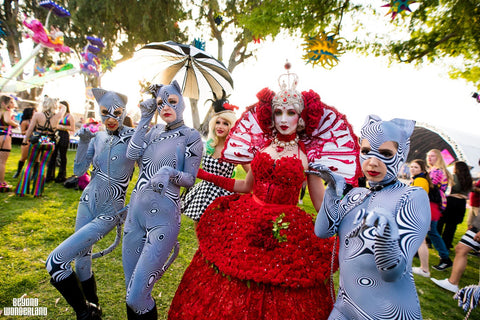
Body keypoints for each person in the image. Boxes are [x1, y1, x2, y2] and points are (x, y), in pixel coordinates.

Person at [168, 72, 361, 319]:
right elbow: (245, 186)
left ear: (301, 117)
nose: (283, 118)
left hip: (286, 230)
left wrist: (350, 219)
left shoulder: (309, 155)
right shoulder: (262, 145)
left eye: (291, 112)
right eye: (279, 112)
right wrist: (202, 175)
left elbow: (320, 202)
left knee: (279, 287)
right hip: (245, 218)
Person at [312, 115, 430, 320]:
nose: (372, 162)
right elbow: (322, 231)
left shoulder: (411, 197)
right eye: (366, 152)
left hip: (389, 313)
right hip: (345, 307)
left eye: (385, 153)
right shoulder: (356, 195)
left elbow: (392, 273)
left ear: (401, 155)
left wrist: (387, 234)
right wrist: (331, 190)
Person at [46, 89, 135, 319]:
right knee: (81, 260)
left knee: (57, 262)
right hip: (86, 202)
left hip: (109, 211)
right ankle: (92, 306)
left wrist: (136, 204)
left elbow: (147, 174)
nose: (111, 118)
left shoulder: (135, 139)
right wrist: (84, 143)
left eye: (116, 112)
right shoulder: (98, 137)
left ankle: (86, 314)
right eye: (105, 112)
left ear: (124, 110)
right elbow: (77, 171)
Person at [123, 81, 203, 319]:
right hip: (134, 216)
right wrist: (145, 118)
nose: (166, 106)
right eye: (160, 103)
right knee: (130, 292)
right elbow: (131, 154)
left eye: (173, 101)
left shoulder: (191, 136)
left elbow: (190, 179)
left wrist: (169, 173)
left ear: (183, 104)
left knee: (137, 296)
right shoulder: (153, 132)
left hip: (164, 220)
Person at [181, 97, 249, 225]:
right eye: (218, 122)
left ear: (232, 127)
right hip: (203, 194)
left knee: (219, 233)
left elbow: (252, 175)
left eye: (225, 123)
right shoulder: (208, 146)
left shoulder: (236, 150)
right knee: (199, 228)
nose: (220, 126)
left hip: (224, 196)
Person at [410, 159, 451, 277]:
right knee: (420, 240)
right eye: (411, 166)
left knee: (421, 241)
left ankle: (425, 269)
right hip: (423, 212)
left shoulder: (420, 180)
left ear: (422, 170)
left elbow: (417, 198)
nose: (412, 169)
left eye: (415, 167)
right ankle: (424, 268)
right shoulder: (420, 179)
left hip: (419, 213)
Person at [426, 148, 454, 270]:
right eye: (428, 156)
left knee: (432, 231)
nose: (429, 158)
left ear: (438, 158)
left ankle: (445, 258)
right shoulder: (435, 170)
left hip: (433, 204)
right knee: (429, 231)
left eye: (432, 156)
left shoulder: (437, 172)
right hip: (433, 204)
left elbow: (429, 186)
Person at [437, 161, 473, 252]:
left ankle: (436, 242)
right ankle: (447, 244)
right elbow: (471, 189)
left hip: (451, 201)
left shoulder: (453, 177)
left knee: (441, 222)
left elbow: (449, 188)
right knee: (452, 226)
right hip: (461, 203)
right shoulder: (469, 179)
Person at [46, 101, 75, 183]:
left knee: (62, 155)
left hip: (64, 135)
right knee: (53, 155)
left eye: (61, 106)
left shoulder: (69, 116)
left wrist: (61, 127)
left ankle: (61, 176)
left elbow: (72, 128)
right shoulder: (56, 115)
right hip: (55, 135)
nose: (59, 108)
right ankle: (50, 175)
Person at [0, 95, 19, 191]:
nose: (12, 104)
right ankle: (1, 182)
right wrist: (15, 124)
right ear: (4, 103)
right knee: (2, 162)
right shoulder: (7, 112)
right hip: (4, 136)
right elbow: (7, 121)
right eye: (10, 102)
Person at [12, 107, 36, 179]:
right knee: (23, 157)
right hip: (27, 141)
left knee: (34, 158)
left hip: (35, 141)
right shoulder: (25, 122)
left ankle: (33, 174)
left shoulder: (37, 120)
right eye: (34, 111)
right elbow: (22, 132)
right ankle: (18, 172)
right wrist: (29, 130)